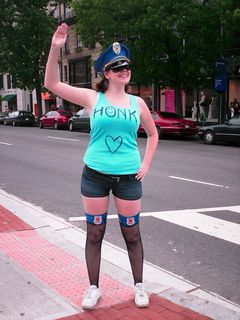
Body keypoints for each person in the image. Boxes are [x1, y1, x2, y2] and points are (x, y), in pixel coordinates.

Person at [44, 23, 158, 310]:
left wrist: (146, 162)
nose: (124, 70)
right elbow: (52, 85)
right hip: (94, 176)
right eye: (117, 66)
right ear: (106, 73)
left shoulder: (138, 103)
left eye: (127, 66)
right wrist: (55, 49)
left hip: (129, 178)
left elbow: (154, 134)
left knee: (132, 233)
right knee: (94, 233)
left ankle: (139, 287)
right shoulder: (93, 98)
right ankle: (93, 288)